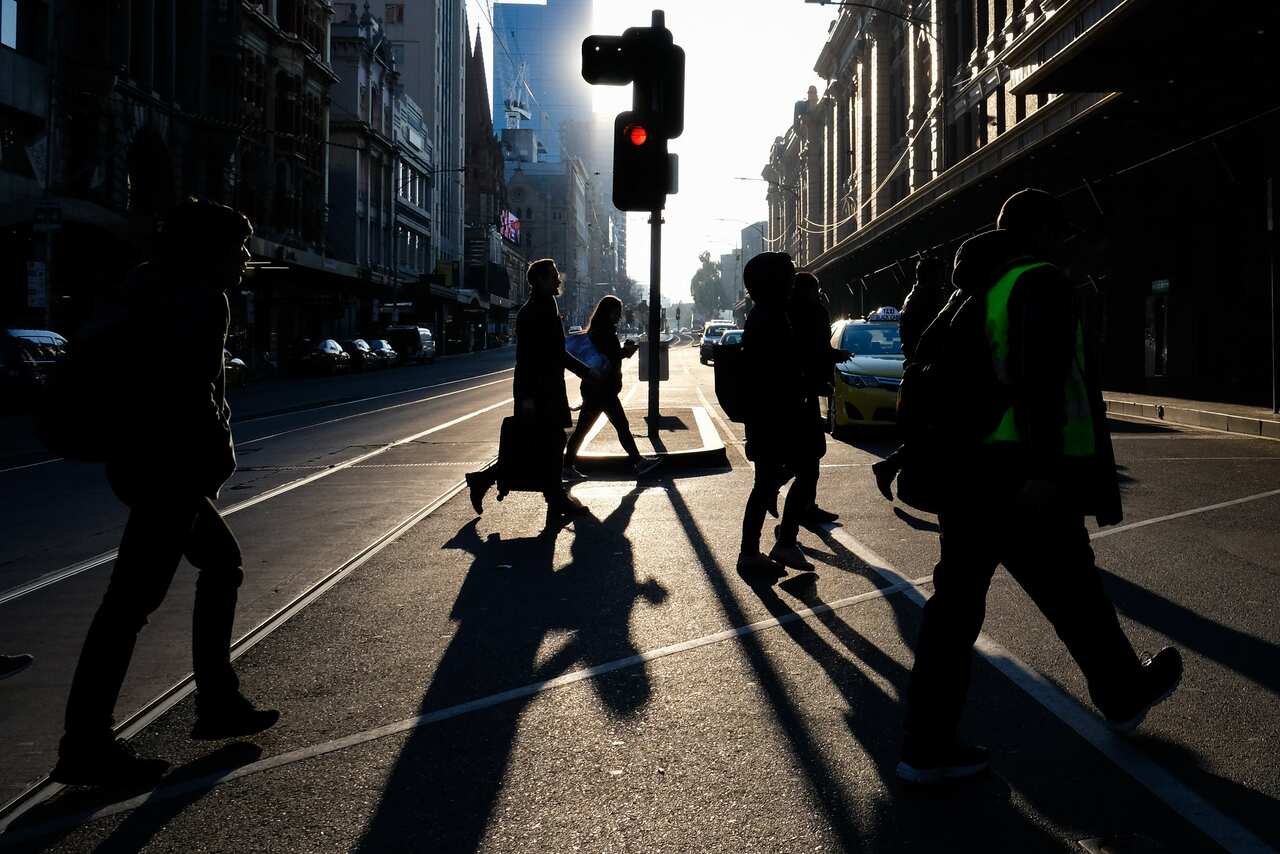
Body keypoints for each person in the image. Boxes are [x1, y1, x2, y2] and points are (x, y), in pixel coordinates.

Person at [896, 188, 1181, 784]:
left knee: (964, 607)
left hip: (969, 472)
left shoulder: (971, 289)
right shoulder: (1039, 282)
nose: (1067, 246)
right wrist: (1045, 471)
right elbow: (1043, 382)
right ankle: (1122, 693)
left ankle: (926, 745)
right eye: (1060, 233)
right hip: (1018, 472)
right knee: (1072, 589)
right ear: (1041, 232)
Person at [52, 199, 278, 788]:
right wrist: (212, 461)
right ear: (210, 252)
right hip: (169, 469)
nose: (245, 258)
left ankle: (217, 700)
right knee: (130, 603)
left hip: (139, 459)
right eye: (238, 248)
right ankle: (87, 742)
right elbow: (190, 394)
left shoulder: (145, 285)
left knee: (219, 563)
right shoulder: (200, 298)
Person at [466, 259, 600, 522]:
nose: (558, 279)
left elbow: (556, 352)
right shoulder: (532, 312)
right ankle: (554, 497)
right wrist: (528, 397)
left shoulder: (546, 305)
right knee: (544, 443)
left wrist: (585, 372)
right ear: (539, 280)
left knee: (542, 444)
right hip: (537, 391)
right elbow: (529, 358)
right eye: (553, 276)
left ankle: (491, 482)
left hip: (547, 388)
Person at [736, 252, 819, 577]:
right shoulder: (769, 318)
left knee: (770, 481)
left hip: (770, 417)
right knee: (803, 470)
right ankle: (775, 545)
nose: (793, 283)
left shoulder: (768, 314)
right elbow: (779, 372)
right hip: (775, 418)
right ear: (773, 283)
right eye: (789, 277)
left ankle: (762, 548)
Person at [872, 254, 952, 500]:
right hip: (927, 373)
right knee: (933, 432)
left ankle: (891, 467)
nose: (944, 279)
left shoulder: (916, 297)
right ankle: (892, 468)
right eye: (940, 274)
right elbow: (934, 337)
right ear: (930, 275)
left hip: (920, 371)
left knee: (927, 433)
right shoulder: (927, 299)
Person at [562, 295, 660, 480]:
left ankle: (567, 466)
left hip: (597, 388)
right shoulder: (604, 333)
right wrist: (626, 352)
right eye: (617, 312)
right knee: (619, 426)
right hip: (602, 390)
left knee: (586, 429)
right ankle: (638, 462)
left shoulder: (598, 331)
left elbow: (607, 357)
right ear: (607, 312)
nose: (619, 316)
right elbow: (609, 358)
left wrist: (623, 352)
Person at [786, 271, 850, 526]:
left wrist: (833, 356)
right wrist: (832, 357)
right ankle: (793, 521)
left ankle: (805, 507)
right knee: (809, 457)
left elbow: (817, 350)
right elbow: (814, 351)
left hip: (805, 391)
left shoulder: (791, 312)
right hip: (803, 393)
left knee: (810, 455)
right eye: (815, 289)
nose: (819, 293)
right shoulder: (808, 313)